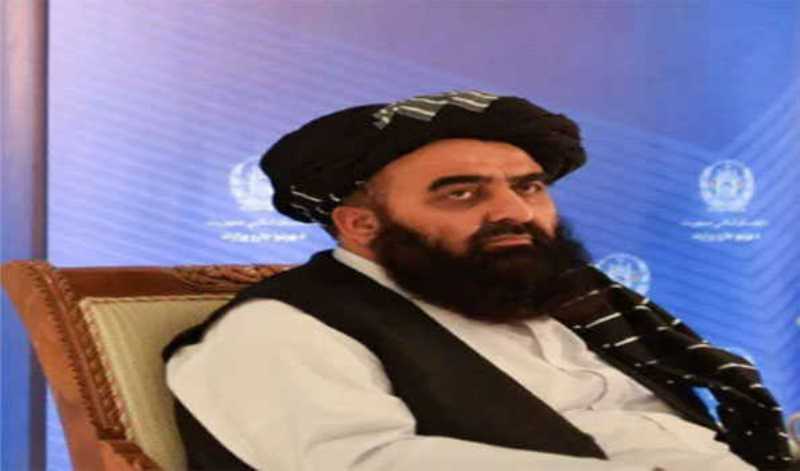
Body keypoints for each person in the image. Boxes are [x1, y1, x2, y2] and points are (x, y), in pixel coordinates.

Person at [163, 91, 797, 471]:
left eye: (529, 187)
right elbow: (358, 463)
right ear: (361, 226)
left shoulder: (569, 304)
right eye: (462, 193)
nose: (515, 212)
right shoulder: (281, 328)